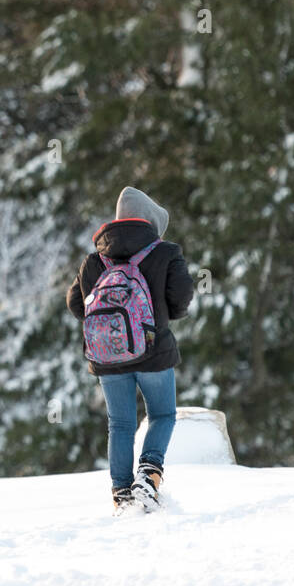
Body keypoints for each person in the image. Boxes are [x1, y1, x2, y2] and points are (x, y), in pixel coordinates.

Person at [66, 187, 194, 512]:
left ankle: (121, 496)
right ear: (150, 220)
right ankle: (148, 476)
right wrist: (159, 317)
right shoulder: (165, 252)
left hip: (107, 356)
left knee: (120, 424)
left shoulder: (94, 260)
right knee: (162, 415)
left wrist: (110, 327)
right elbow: (181, 298)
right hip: (154, 352)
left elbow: (75, 304)